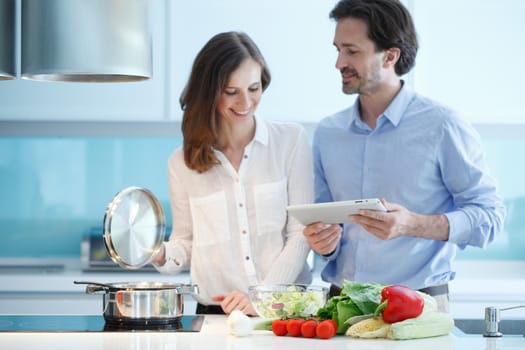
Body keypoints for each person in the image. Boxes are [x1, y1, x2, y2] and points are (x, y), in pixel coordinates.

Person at [303, 0, 505, 312]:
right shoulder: (329, 133)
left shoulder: (442, 125)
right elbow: (327, 225)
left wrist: (412, 223)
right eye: (337, 50)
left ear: (390, 55)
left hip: (419, 306)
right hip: (340, 305)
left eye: (351, 51)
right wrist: (322, 242)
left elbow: (490, 218)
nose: (338, 62)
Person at [152, 31, 313, 315]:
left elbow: (301, 234)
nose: (246, 103)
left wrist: (262, 297)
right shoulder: (181, 162)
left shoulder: (291, 140)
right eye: (231, 92)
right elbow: (186, 242)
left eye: (254, 88)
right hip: (218, 313)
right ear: (209, 92)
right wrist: (159, 252)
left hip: (286, 310)